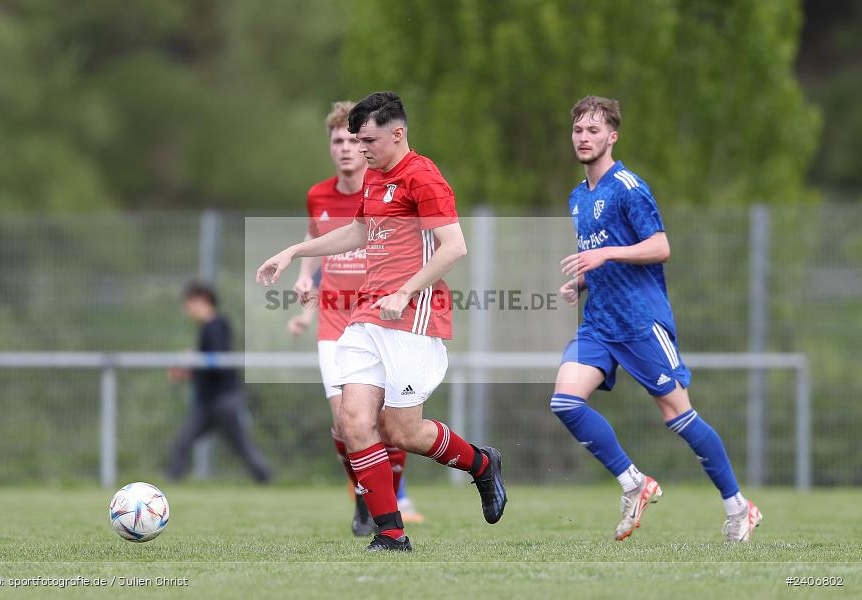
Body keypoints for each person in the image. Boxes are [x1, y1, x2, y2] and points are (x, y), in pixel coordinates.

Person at [259, 91, 506, 552]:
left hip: (412, 318)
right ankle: (391, 534)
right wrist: (295, 252)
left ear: (398, 133)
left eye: (368, 139)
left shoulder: (424, 177)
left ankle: (480, 464)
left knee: (402, 432)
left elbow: (455, 246)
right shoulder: (375, 176)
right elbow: (357, 231)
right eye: (355, 139)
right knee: (353, 423)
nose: (361, 149)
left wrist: (406, 290)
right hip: (366, 316)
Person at [553, 95, 762, 542]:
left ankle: (738, 507)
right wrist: (582, 282)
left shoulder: (628, 186)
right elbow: (603, 257)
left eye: (593, 130)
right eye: (578, 130)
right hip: (599, 323)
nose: (584, 138)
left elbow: (660, 246)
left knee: (677, 415)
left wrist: (605, 252)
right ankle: (634, 483)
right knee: (565, 401)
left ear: (612, 136)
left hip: (640, 321)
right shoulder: (578, 196)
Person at [286, 101, 423, 536]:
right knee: (346, 424)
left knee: (388, 426)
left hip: (380, 316)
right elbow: (315, 238)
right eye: (338, 141)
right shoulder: (318, 195)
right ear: (329, 147)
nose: (346, 149)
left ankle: (388, 501)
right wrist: (305, 279)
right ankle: (366, 497)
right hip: (333, 321)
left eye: (353, 140)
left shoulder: (386, 185)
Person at [166, 280, 273, 483]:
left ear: (202, 300)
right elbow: (207, 365)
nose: (186, 309)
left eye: (188, 303)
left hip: (224, 400)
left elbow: (218, 359)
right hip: (207, 403)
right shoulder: (206, 327)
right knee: (182, 443)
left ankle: (266, 479)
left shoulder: (217, 325)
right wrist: (189, 369)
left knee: (241, 445)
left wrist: (192, 358)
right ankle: (171, 485)